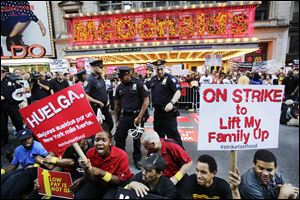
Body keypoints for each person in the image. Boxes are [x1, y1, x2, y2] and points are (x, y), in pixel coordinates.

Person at [70, 131, 133, 199]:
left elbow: (121, 181)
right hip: (98, 183)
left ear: (110, 142)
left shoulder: (121, 155)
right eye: (97, 140)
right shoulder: (90, 153)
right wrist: (84, 176)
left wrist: (101, 173)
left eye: (104, 140)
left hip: (115, 185)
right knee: (79, 197)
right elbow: (90, 176)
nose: (99, 143)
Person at [114, 66, 150, 170]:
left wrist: (140, 117)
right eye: (119, 77)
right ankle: (121, 159)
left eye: (122, 77)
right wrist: (116, 121)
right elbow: (116, 105)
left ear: (128, 74)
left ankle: (137, 159)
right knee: (119, 138)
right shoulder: (119, 87)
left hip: (137, 116)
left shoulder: (139, 84)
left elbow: (146, 100)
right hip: (124, 116)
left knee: (136, 140)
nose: (120, 79)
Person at [105, 153, 177, 199]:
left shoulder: (169, 189)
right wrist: (130, 185)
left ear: (159, 174)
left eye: (149, 171)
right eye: (144, 169)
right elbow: (123, 194)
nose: (144, 173)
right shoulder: (139, 177)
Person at [147, 60, 183, 147]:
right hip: (157, 112)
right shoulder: (153, 79)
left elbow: (178, 92)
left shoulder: (170, 78)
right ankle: (162, 153)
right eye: (157, 69)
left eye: (161, 69)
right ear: (155, 70)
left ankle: (180, 155)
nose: (159, 71)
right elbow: (144, 86)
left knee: (173, 134)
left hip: (168, 112)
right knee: (158, 135)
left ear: (164, 68)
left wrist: (171, 103)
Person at [84, 60, 114, 131]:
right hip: (96, 108)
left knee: (110, 124)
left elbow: (103, 91)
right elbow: (85, 96)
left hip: (105, 106)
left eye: (102, 67)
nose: (101, 68)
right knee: (99, 127)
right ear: (93, 67)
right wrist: (98, 102)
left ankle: (106, 137)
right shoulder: (90, 80)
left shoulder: (101, 78)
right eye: (99, 67)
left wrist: (107, 99)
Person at [1, 66, 24, 146]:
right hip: (2, 105)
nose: (2, 73)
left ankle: (22, 138)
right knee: (2, 123)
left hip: (12, 104)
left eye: (3, 72)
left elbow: (20, 89)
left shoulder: (10, 79)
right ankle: (4, 140)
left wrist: (20, 98)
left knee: (18, 122)